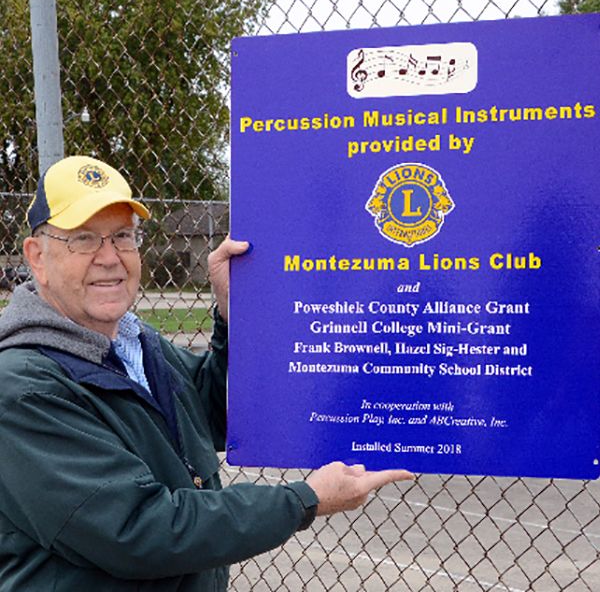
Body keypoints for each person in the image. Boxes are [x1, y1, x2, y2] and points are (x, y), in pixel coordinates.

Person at [0, 155, 414, 591]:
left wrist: (235, 313)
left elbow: (216, 413)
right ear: (37, 258)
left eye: (122, 236)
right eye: (83, 239)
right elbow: (140, 530)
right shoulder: (23, 386)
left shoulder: (135, 344)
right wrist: (302, 501)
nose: (110, 258)